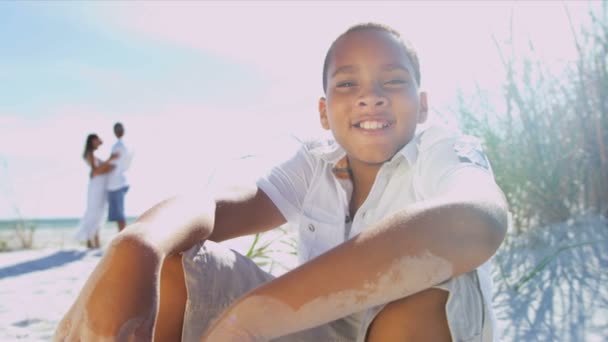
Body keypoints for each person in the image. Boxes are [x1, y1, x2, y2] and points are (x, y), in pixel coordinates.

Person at [55, 23, 508, 341]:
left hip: (413, 331)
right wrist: (137, 246)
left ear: (423, 105)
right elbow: (215, 206)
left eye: (393, 81)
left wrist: (249, 320)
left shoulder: (443, 149)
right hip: (322, 332)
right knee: (179, 263)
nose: (371, 95)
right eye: (348, 85)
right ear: (324, 112)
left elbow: (477, 220)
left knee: (429, 290)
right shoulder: (314, 161)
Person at [74, 134, 117, 249]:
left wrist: (108, 165)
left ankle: (96, 240)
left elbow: (101, 169)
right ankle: (90, 240)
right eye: (96, 139)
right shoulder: (89, 153)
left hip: (102, 186)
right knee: (93, 212)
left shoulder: (95, 154)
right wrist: (110, 160)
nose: (99, 141)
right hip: (96, 187)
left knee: (100, 213)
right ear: (92, 140)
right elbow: (96, 172)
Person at [106, 122, 133, 232]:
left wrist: (97, 171)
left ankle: (122, 238)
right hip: (122, 181)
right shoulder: (128, 146)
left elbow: (112, 165)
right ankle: (122, 237)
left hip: (116, 183)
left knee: (119, 215)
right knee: (120, 214)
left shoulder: (117, 146)